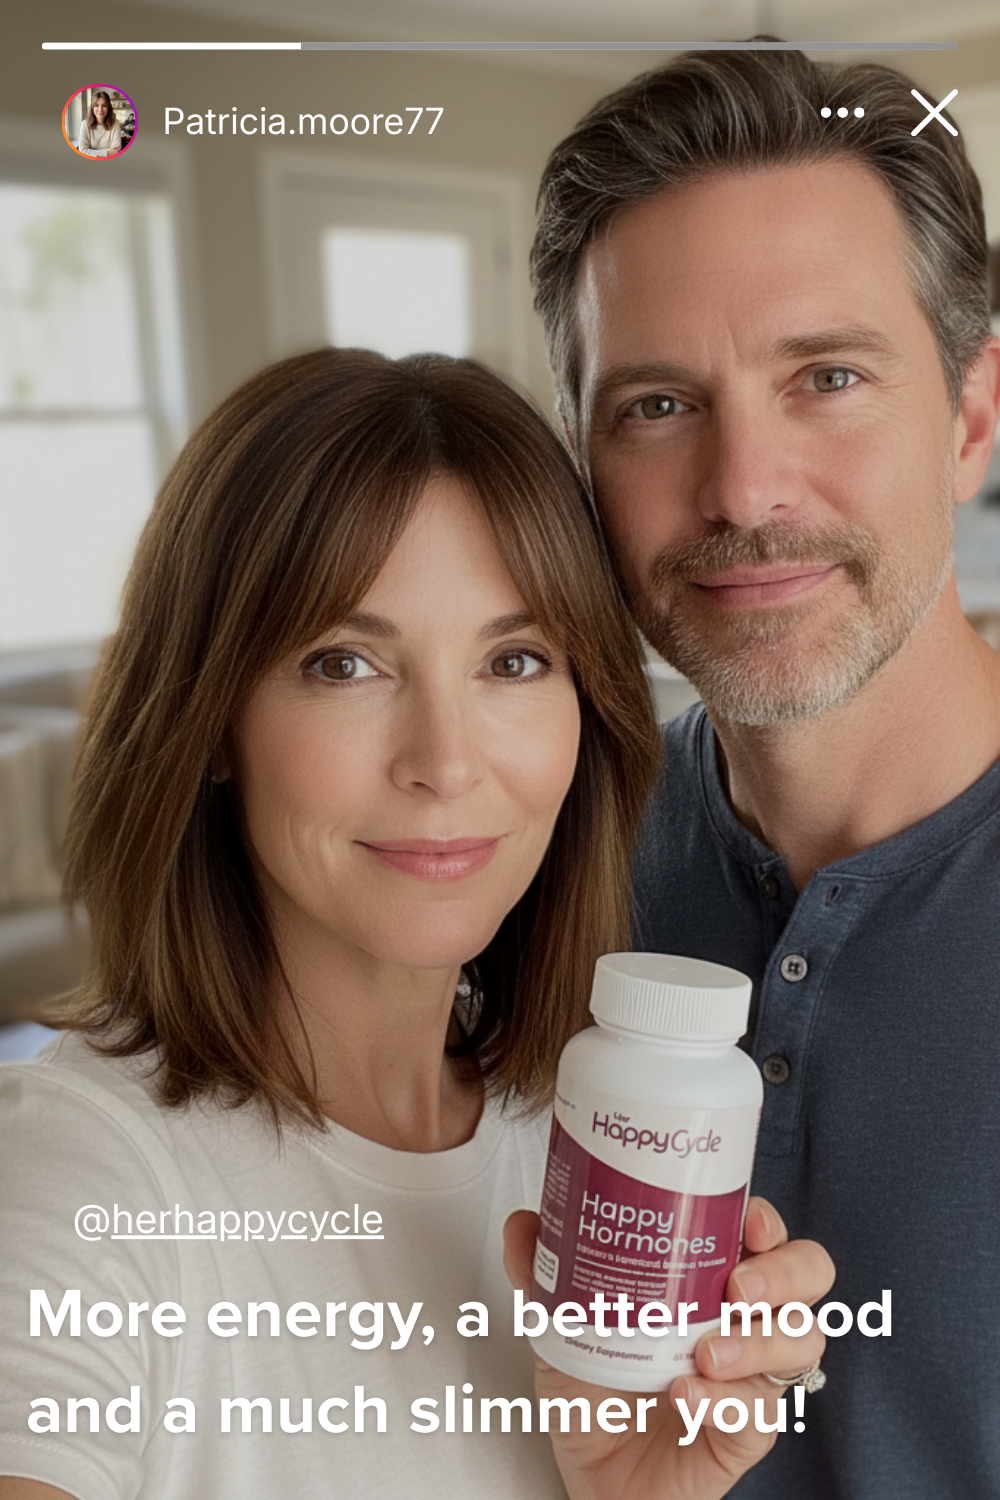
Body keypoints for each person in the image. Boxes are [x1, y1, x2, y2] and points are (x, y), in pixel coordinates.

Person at [0, 349, 830, 1500]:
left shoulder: (594, 1159)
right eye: (344, 664)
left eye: (513, 660)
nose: (445, 761)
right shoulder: (75, 1181)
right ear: (213, 720)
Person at [530, 45, 1000, 1500]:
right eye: (656, 406)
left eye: (828, 378)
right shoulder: (530, 855)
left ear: (973, 418)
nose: (741, 489)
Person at [77, 92, 122, 157]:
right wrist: (107, 153)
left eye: (104, 105)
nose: (100, 110)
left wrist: (91, 152)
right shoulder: (85, 124)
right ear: (92, 108)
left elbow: (116, 151)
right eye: (96, 105)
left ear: (108, 108)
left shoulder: (115, 124)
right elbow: (83, 151)